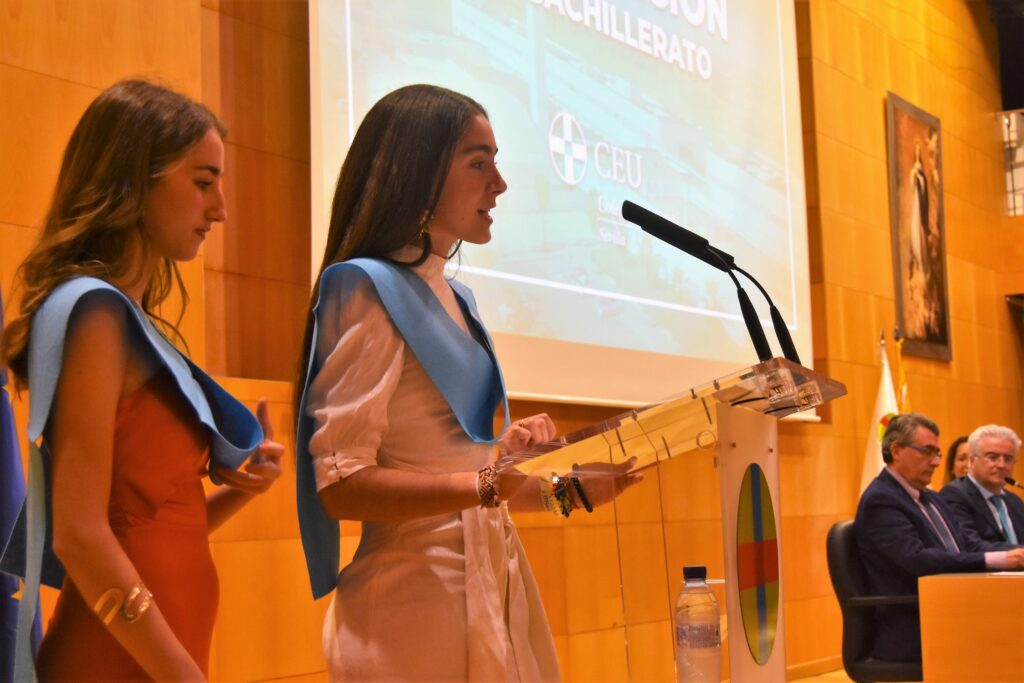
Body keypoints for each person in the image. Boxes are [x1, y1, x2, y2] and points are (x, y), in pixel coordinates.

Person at [294, 84, 640, 681]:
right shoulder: (365, 288)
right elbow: (342, 485)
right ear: (419, 173)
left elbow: (476, 486)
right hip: (410, 617)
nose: (499, 184)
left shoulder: (460, 299)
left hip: (488, 592)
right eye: (479, 164)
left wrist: (567, 490)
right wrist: (485, 480)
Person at [0, 80, 284, 680]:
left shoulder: (119, 318)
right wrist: (180, 673)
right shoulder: (94, 314)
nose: (220, 209)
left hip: (153, 654)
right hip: (121, 660)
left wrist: (244, 489)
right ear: (135, 179)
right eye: (203, 183)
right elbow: (79, 535)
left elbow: (150, 529)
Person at [854, 413, 1024, 663]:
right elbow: (918, 560)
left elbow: (965, 546)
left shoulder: (930, 497)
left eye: (937, 454)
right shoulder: (881, 500)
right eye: (927, 451)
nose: (935, 462)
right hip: (915, 623)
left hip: (954, 607)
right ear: (897, 451)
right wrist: (1001, 559)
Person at [940, 425, 1024, 549]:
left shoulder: (1014, 501)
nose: (1001, 465)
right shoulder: (954, 494)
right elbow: (971, 545)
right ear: (972, 460)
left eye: (1008, 459)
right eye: (992, 457)